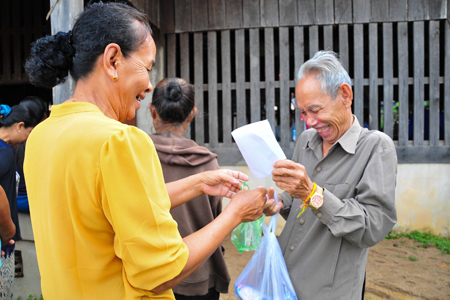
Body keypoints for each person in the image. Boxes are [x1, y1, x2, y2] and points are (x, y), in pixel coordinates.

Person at [23, 3, 278, 299]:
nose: (148, 86)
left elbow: (109, 209)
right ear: (113, 60)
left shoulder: (42, 135)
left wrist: (198, 183)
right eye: (147, 67)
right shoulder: (118, 141)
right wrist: (234, 213)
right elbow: (162, 272)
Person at [271, 51, 397, 300]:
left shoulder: (375, 147)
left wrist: (311, 193)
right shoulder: (306, 140)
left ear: (345, 95)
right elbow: (298, 204)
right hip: (285, 279)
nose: (309, 122)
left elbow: (372, 226)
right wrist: (277, 202)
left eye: (315, 110)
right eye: (304, 113)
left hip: (327, 291)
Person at [149, 78, 229, 300]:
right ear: (192, 113)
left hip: (152, 273)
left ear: (152, 110)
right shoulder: (208, 164)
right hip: (201, 272)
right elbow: (215, 219)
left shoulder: (138, 156)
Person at [0, 104, 41, 245]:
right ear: (20, 126)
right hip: (4, 239)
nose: (28, 139)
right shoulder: (4, 152)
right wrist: (8, 232)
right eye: (29, 133)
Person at [14, 96, 48, 213]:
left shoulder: (10, 139)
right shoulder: (45, 141)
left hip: (14, 202)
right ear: (44, 116)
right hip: (37, 203)